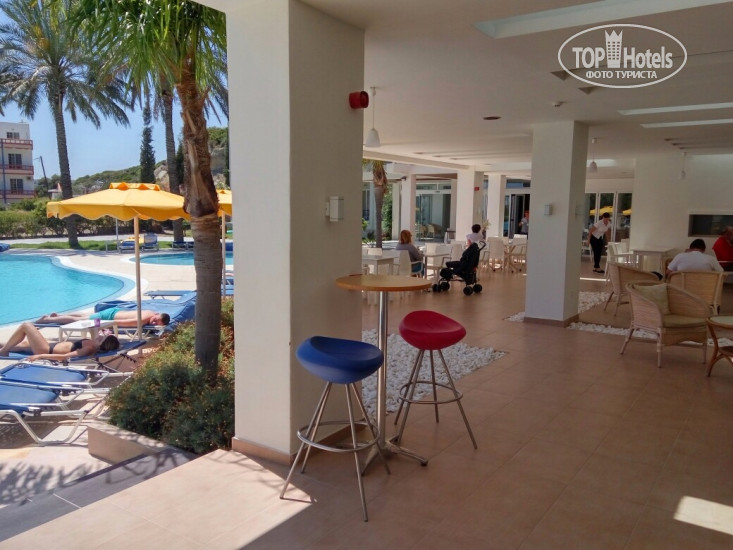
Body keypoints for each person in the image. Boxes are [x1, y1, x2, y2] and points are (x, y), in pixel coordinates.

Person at [0, 322, 120, 360]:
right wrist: (96, 321)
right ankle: (4, 347)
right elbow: (100, 328)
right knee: (21, 344)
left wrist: (40, 356)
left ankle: (4, 352)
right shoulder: (94, 342)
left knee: (26, 326)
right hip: (50, 345)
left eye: (101, 338)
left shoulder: (89, 348)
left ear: (102, 345)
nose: (100, 336)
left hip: (46, 350)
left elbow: (65, 357)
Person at [36, 308, 170, 327]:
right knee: (81, 320)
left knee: (85, 316)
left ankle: (59, 316)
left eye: (156, 324)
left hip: (113, 311)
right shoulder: (143, 319)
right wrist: (105, 324)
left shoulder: (151, 312)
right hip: (109, 316)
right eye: (156, 321)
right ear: (157, 315)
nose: (154, 323)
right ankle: (48, 320)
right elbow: (121, 322)